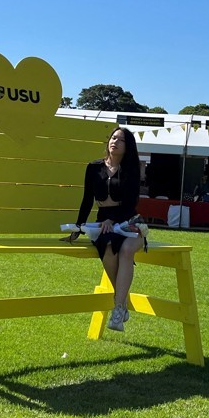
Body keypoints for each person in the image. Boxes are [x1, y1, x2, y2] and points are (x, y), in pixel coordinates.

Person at [71, 127, 142, 332]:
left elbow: (131, 203)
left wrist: (114, 219)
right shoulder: (94, 167)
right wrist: (78, 227)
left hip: (129, 221)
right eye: (113, 138)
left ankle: (118, 308)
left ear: (127, 147)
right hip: (103, 223)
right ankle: (121, 301)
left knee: (127, 250)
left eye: (120, 140)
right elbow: (86, 199)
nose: (115, 142)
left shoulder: (131, 169)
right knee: (109, 245)